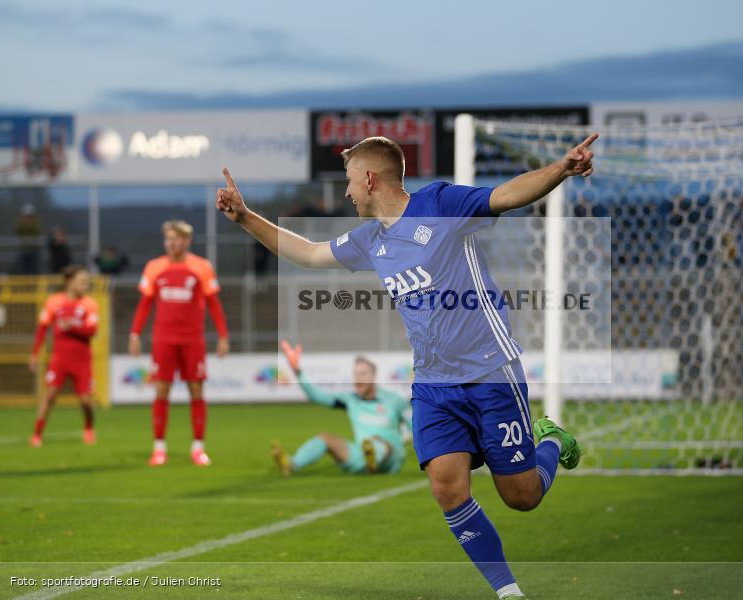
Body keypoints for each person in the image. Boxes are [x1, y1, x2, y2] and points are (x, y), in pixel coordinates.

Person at [217, 132, 597, 600]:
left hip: (490, 373)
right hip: (434, 386)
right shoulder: (369, 239)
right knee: (447, 489)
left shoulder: (439, 203)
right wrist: (244, 217)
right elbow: (310, 253)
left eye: (350, 182)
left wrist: (561, 168)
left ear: (371, 179)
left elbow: (506, 195)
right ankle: (508, 592)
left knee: (522, 497)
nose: (346, 192)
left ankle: (553, 441)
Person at [129, 220, 229, 467]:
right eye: (168, 239)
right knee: (161, 390)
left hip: (192, 339)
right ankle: (159, 448)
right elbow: (144, 305)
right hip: (163, 340)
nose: (172, 243)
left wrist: (223, 336)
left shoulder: (202, 267)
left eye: (177, 239)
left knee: (196, 390)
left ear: (187, 241)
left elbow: (214, 305)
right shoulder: (154, 267)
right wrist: (134, 334)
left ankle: (198, 448)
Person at [271, 341, 411, 475]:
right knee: (324, 438)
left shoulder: (394, 399)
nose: (358, 378)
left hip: (391, 457)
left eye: (363, 374)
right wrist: (297, 371)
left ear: (374, 376)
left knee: (376, 442)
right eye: (356, 374)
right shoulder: (350, 400)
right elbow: (317, 395)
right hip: (361, 453)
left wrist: (429, 459)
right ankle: (291, 464)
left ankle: (372, 459)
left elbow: (416, 425)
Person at [28, 265, 98, 446]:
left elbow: (92, 330)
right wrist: (35, 354)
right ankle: (37, 433)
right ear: (69, 281)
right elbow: (42, 329)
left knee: (85, 400)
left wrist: (72, 327)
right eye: (81, 281)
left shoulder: (90, 304)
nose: (85, 285)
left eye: (86, 282)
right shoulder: (53, 302)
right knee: (50, 395)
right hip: (59, 358)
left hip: (82, 358)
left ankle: (89, 427)